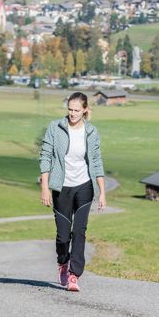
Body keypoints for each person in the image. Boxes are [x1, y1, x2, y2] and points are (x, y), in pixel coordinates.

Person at [40, 92, 106, 292]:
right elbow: (45, 156)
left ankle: (74, 274)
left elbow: (96, 161)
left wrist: (102, 191)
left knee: (79, 231)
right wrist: (45, 187)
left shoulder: (91, 132)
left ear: (85, 110)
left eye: (77, 110)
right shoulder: (56, 127)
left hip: (85, 186)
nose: (73, 113)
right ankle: (63, 262)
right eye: (70, 109)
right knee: (63, 236)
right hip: (62, 187)